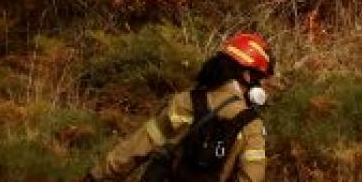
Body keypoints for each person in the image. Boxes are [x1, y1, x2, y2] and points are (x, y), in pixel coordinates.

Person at [82, 32, 272, 182]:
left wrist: (96, 177)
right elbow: (252, 177)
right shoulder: (251, 124)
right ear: (247, 75)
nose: (261, 85)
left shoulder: (186, 102)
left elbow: (139, 146)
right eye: (260, 78)